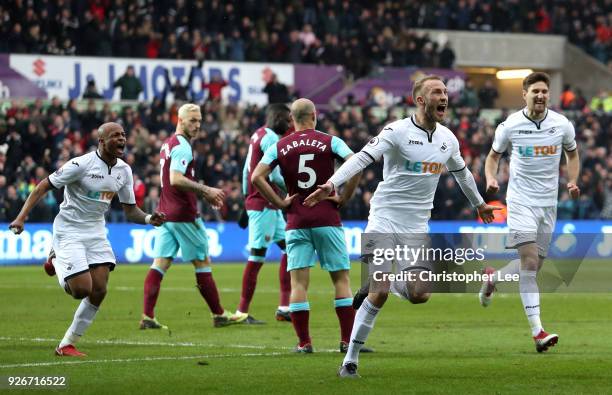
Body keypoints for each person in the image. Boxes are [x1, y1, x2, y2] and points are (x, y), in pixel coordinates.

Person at [304, 76, 499, 377]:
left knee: (420, 293)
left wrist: (479, 204)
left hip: (416, 225)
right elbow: (361, 159)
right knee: (379, 292)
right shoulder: (396, 131)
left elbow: (462, 174)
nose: (444, 96)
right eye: (437, 92)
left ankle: (378, 284)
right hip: (383, 217)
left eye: (446, 92)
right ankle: (350, 360)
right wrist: (331, 183)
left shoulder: (448, 138)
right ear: (420, 100)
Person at [9, 122, 166, 357]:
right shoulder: (80, 165)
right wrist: (21, 218)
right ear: (101, 141)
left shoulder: (124, 171)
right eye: (115, 136)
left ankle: (66, 344)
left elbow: (131, 210)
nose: (122, 139)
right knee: (81, 289)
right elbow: (43, 186)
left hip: (96, 232)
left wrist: (148, 219)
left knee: (100, 289)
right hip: (69, 230)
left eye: (123, 135)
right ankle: (56, 258)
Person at [479, 72, 580, 352]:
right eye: (535, 91)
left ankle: (493, 279)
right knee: (531, 262)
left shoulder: (562, 124)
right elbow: (493, 156)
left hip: (548, 205)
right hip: (521, 201)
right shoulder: (510, 125)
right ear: (524, 94)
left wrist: (572, 180)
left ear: (549, 95)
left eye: (544, 91)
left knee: (533, 266)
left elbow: (573, 154)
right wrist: (491, 178)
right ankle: (538, 332)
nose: (540, 96)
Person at [252, 98, 362, 353]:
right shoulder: (330, 141)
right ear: (314, 115)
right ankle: (347, 342)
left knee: (299, 283)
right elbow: (356, 163)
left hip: (296, 220)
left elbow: (257, 176)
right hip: (327, 218)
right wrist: (343, 197)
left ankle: (304, 343)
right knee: (341, 280)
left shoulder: (280, 146)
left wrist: (280, 203)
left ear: (291, 119)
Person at [140, 103, 244, 330]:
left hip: (165, 213)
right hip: (183, 214)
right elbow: (176, 179)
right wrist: (206, 190)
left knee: (160, 263)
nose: (198, 125)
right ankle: (219, 314)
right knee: (202, 262)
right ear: (180, 120)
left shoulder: (168, 144)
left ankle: (147, 316)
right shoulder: (183, 147)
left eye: (199, 120)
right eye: (193, 121)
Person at [234, 104, 292, 324]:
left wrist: (243, 198)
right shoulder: (270, 140)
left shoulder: (257, 134)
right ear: (278, 119)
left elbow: (245, 170)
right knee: (257, 257)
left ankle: (284, 307)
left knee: (290, 249)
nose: (289, 125)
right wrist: (297, 192)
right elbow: (275, 177)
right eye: (287, 120)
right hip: (264, 205)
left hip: (268, 206)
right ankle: (241, 312)